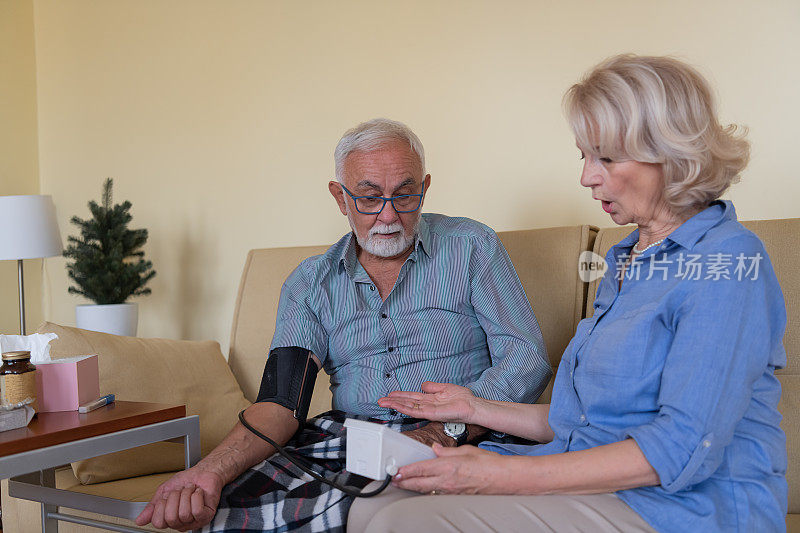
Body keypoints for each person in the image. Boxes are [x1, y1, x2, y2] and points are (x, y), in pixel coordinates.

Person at [361, 55, 788, 532]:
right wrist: (474, 408)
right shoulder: (626, 258)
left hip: (683, 508)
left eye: (606, 157)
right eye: (584, 155)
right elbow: (581, 421)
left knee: (401, 524)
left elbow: (682, 447)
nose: (587, 176)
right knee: (370, 504)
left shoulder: (728, 261)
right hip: (599, 483)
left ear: (671, 155)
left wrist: (506, 474)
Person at [135, 118, 550, 532]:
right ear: (340, 197)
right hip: (350, 439)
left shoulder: (472, 246)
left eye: (405, 195)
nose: (389, 215)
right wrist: (210, 471)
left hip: (466, 433)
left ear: (424, 188)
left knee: (362, 512)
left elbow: (526, 358)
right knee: (224, 512)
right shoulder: (309, 283)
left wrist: (445, 429)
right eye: (369, 198)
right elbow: (281, 404)